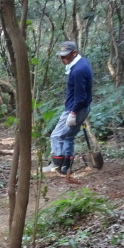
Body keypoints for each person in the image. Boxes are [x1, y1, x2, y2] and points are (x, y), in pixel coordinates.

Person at [43, 41, 93, 175]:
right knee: (68, 137)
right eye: (61, 56)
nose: (62, 59)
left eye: (65, 56)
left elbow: (81, 95)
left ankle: (56, 165)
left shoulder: (78, 70)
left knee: (56, 135)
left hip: (76, 109)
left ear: (74, 53)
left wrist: (73, 113)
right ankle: (66, 167)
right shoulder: (81, 62)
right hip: (82, 107)